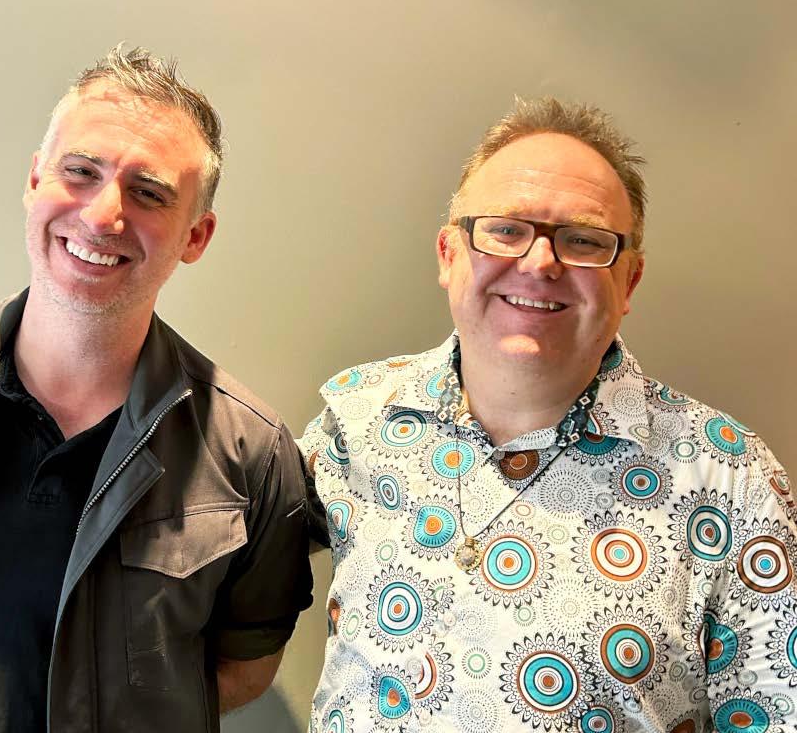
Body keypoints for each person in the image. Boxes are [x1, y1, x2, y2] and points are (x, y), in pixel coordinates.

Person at [0, 44, 312, 733]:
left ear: (196, 236)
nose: (102, 216)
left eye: (149, 192)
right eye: (81, 172)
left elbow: (244, 664)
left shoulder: (253, 453)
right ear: (36, 179)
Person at [300, 97, 796, 733]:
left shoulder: (731, 480)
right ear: (449, 254)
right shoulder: (356, 418)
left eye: (584, 241)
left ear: (629, 282)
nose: (539, 263)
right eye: (506, 230)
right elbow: (218, 587)